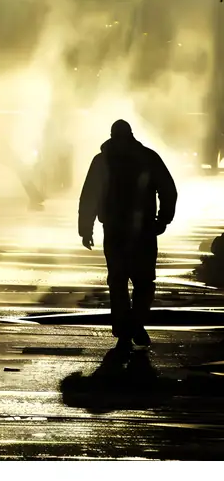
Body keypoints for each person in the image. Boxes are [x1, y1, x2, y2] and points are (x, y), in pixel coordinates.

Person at [78, 119, 177, 353]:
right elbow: (168, 189)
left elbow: (89, 196)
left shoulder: (102, 161)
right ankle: (135, 325)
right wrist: (163, 219)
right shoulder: (147, 157)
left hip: (115, 230)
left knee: (119, 281)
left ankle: (125, 329)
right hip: (142, 231)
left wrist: (86, 228)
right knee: (142, 282)